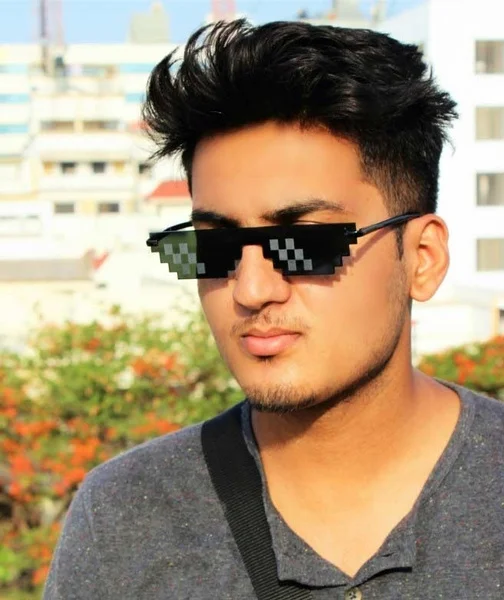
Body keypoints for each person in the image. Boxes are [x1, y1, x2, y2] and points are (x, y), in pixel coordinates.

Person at [44, 20, 503, 599]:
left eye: (303, 243)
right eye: (215, 248)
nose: (251, 289)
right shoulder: (125, 519)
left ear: (422, 258)